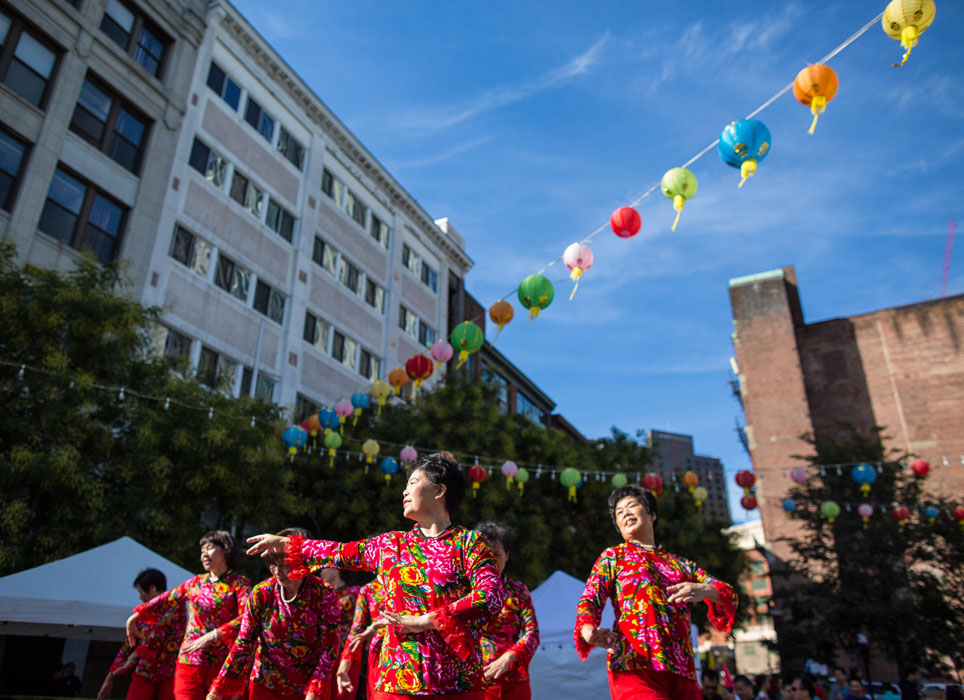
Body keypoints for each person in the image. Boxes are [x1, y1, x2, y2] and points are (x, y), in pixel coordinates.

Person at [247, 452, 505, 699]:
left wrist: (426, 621)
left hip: (457, 683)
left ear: (439, 490)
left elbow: (490, 596)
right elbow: (339, 552)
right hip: (398, 680)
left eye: (413, 482)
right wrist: (288, 544)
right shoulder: (391, 545)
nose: (404, 491)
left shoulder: (469, 544)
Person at [574, 484, 737, 700]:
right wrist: (587, 630)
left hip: (681, 669)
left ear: (652, 514)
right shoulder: (613, 557)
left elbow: (728, 594)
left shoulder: (681, 565)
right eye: (619, 513)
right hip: (634, 664)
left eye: (632, 506)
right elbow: (590, 599)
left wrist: (705, 590)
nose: (626, 514)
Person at [207, 528, 342, 700]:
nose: (278, 571)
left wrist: (314, 692)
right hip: (265, 684)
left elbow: (329, 649)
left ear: (304, 563)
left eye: (286, 565)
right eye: (274, 564)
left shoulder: (323, 594)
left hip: (306, 689)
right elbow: (244, 642)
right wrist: (218, 689)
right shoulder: (262, 592)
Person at [127, 531, 251, 700]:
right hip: (189, 662)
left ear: (226, 550)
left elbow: (247, 618)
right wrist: (136, 615)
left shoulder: (239, 584)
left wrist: (213, 636)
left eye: (210, 548)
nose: (204, 554)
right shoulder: (196, 583)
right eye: (202, 551)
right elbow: (165, 599)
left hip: (221, 664)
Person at [475, 521, 540, 700]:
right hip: (476, 680)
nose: (491, 560)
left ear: (507, 555)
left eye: (497, 554)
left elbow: (532, 633)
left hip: (514, 680)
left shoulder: (519, 591)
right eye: (485, 555)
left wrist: (510, 656)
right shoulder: (465, 592)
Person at [99, 569, 185, 700]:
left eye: (140, 592)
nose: (140, 597)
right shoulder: (142, 614)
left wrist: (132, 659)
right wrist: (109, 678)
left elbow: (156, 634)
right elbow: (128, 646)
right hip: (145, 673)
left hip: (170, 674)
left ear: (152, 588)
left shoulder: (176, 607)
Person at [337, 577, 388, 699]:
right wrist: (344, 664)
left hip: (405, 651)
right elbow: (357, 629)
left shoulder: (406, 584)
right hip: (379, 654)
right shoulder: (369, 589)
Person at [320, 567, 362, 700]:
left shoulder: (354, 592)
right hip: (325, 651)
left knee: (343, 693)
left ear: (337, 570)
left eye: (325, 569)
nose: (321, 573)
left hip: (347, 649)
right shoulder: (322, 594)